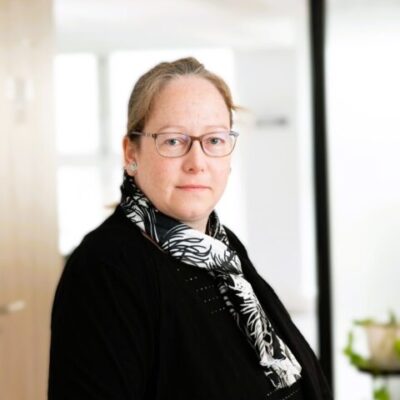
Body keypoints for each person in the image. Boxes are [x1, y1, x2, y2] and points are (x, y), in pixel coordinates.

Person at [48, 57, 332, 400]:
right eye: (173, 141)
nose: (197, 162)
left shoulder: (221, 249)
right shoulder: (104, 270)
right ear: (131, 153)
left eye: (214, 140)